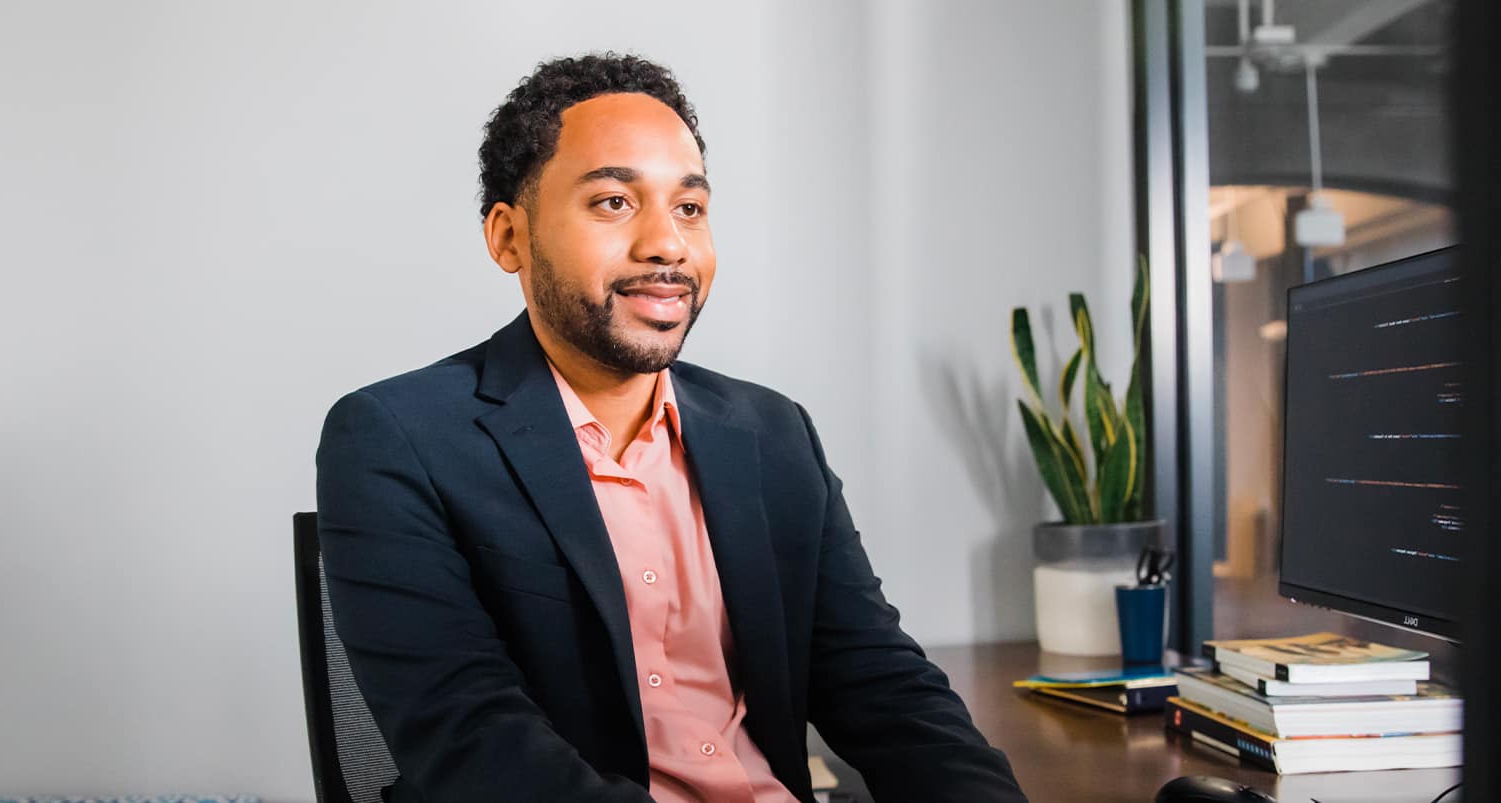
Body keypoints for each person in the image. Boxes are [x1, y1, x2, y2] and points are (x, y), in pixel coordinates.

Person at [316, 52, 1026, 802]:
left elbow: (882, 685)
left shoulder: (772, 433)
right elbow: (475, 743)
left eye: (688, 207)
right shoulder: (395, 439)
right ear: (508, 237)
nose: (668, 244)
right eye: (614, 202)